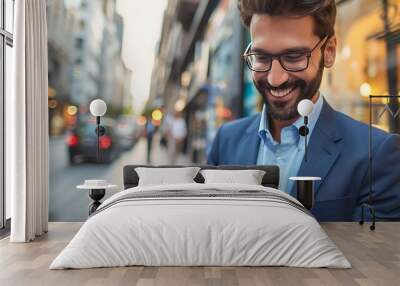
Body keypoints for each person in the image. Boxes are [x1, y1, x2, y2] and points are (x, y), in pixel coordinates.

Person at [207, 0, 400, 221]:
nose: (275, 79)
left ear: (329, 51)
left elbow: (370, 253)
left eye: (294, 57)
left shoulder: (376, 155)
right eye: (261, 57)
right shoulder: (226, 141)